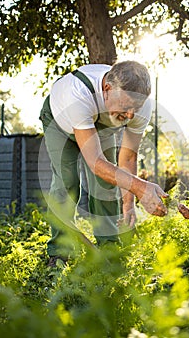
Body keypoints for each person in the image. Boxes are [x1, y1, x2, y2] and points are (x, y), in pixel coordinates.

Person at [39, 60, 168, 266]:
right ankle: (59, 252)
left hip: (99, 123)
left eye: (136, 107)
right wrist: (141, 188)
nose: (130, 115)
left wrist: (129, 203)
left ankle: (108, 247)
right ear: (107, 89)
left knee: (107, 183)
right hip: (59, 121)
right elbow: (95, 163)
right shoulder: (78, 93)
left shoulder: (138, 106)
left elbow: (128, 158)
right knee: (67, 182)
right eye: (126, 107)